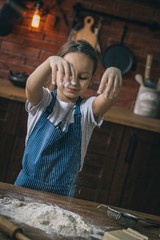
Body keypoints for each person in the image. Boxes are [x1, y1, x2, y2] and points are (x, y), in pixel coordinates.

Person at [14, 40, 122, 197]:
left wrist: (114, 71)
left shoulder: (87, 111)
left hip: (62, 195)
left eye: (83, 77)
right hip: (24, 187)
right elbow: (31, 86)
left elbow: (108, 98)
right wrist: (50, 61)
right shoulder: (42, 101)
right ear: (54, 72)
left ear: (91, 80)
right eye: (67, 73)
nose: (73, 81)